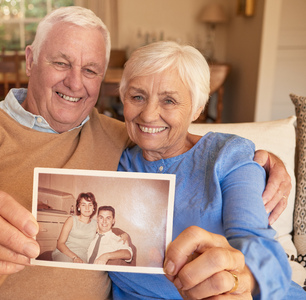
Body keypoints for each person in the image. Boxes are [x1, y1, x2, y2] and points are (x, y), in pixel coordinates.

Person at [0, 6, 292, 299]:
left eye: (90, 70)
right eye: (60, 62)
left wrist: (257, 161)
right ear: (30, 59)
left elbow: (172, 137)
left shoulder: (115, 134)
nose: (75, 82)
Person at [108, 41, 305, 300]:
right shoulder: (111, 153)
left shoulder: (228, 155)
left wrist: (246, 280)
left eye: (169, 100)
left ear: (197, 109)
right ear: (123, 99)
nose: (148, 114)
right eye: (137, 97)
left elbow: (257, 242)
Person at [52, 192, 98, 263]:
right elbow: (60, 244)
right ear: (79, 207)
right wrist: (75, 257)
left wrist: (121, 236)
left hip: (83, 257)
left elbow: (107, 233)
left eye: (90, 205)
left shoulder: (96, 224)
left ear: (94, 207)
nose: (87, 208)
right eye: (83, 205)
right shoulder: (71, 220)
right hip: (64, 253)